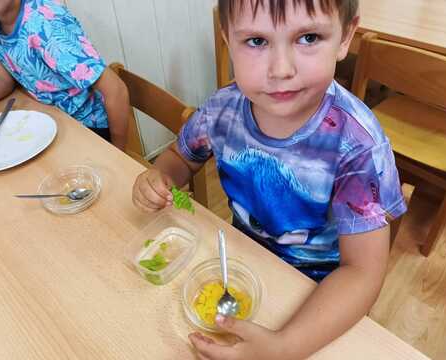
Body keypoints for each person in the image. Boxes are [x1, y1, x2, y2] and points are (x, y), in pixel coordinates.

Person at [132, 0, 406, 358]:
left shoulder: (356, 144)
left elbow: (362, 274)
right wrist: (160, 176)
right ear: (228, 39)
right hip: (237, 261)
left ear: (345, 37)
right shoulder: (221, 109)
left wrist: (284, 348)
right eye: (257, 42)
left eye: (308, 37)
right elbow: (181, 158)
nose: (280, 69)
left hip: (316, 290)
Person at [0, 0, 131, 150]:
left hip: (90, 129)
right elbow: (0, 78)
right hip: (50, 120)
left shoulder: (46, 24)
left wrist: (119, 153)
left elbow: (116, 90)